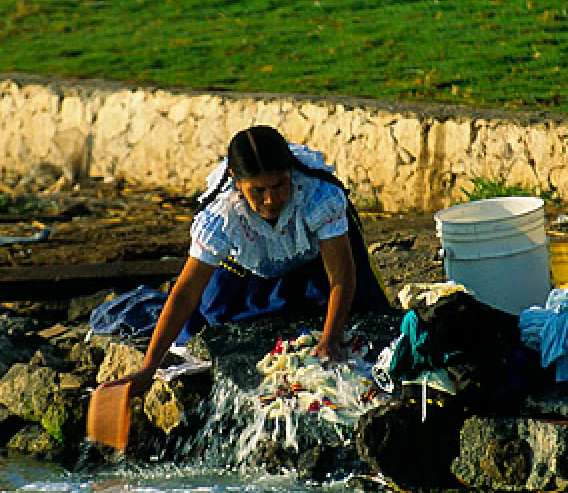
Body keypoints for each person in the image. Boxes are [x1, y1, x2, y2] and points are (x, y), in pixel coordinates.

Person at [106, 125, 389, 395]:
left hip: (314, 263)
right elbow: (185, 293)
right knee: (214, 319)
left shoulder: (318, 197)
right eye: (258, 190)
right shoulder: (222, 217)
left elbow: (341, 276)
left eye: (280, 185)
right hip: (248, 268)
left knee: (362, 316)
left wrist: (330, 339)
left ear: (290, 172)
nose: (270, 200)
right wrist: (148, 368)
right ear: (236, 180)